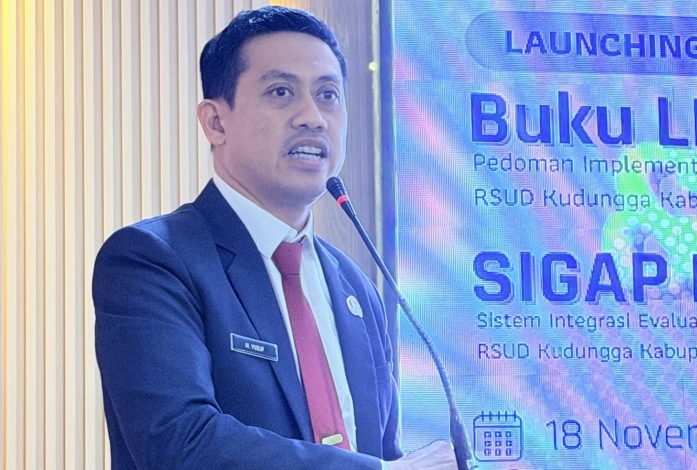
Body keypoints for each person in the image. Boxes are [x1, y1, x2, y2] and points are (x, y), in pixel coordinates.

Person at [93, 6, 456, 470]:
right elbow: (179, 443)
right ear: (216, 122)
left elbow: (381, 452)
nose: (313, 117)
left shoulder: (357, 288)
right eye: (281, 92)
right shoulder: (153, 259)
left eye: (328, 95)